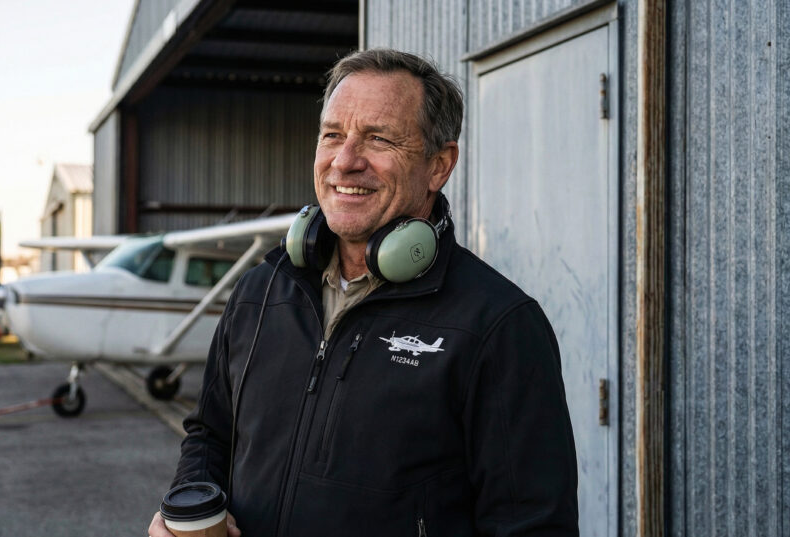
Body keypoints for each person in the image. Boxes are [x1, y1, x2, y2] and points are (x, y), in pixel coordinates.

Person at [149, 49, 578, 537]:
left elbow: (532, 525)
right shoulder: (260, 291)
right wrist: (189, 509)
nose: (345, 161)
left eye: (378, 139)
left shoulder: (498, 325)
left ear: (439, 165)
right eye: (332, 135)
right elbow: (209, 435)